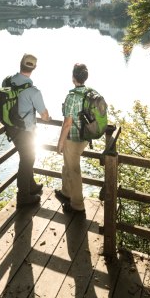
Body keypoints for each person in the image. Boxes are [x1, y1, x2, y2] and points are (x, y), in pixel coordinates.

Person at [5, 53, 51, 207]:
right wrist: (48, 117)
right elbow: (44, 115)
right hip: (26, 132)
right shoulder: (33, 91)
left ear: (20, 64)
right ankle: (23, 196)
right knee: (27, 161)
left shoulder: (8, 81)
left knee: (27, 158)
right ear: (34, 68)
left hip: (11, 128)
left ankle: (31, 185)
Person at [55, 63, 90, 214]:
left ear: (73, 77)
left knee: (74, 170)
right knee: (68, 164)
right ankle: (66, 192)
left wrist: (60, 142)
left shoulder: (72, 97)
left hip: (73, 138)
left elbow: (67, 123)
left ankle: (77, 205)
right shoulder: (90, 93)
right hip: (86, 137)